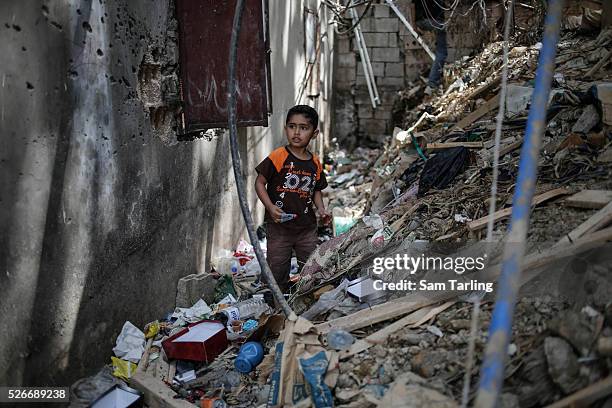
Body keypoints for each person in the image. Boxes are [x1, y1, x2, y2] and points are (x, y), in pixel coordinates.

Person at [255, 105, 330, 293]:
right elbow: (259, 182)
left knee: (310, 269)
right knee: (278, 269)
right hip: (279, 228)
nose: (296, 132)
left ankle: (304, 299)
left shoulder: (315, 162)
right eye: (291, 126)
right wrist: (270, 207)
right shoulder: (279, 156)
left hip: (307, 228)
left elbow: (316, 190)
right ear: (285, 128)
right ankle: (278, 307)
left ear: (314, 133)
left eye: (303, 128)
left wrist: (321, 210)